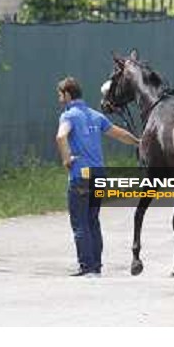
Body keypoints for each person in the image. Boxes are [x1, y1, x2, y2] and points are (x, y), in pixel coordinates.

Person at [56, 77, 140, 276]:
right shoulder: (95, 115)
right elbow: (119, 133)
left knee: (80, 222)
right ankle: (96, 267)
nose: (59, 99)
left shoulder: (69, 115)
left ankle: (87, 267)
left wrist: (67, 160)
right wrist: (138, 141)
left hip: (81, 176)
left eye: (60, 95)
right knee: (93, 220)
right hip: (99, 175)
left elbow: (61, 136)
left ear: (67, 94)